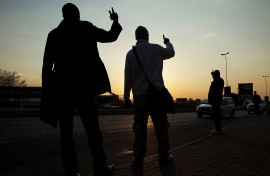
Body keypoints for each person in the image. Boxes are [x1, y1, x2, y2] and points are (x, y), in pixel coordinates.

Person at [41, 3, 122, 176]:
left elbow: (46, 66)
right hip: (84, 87)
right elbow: (110, 36)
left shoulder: (54, 35)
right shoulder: (86, 27)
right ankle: (100, 166)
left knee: (66, 133)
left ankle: (71, 170)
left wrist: (47, 93)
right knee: (93, 130)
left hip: (63, 89)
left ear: (63, 15)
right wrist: (115, 21)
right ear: (77, 14)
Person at [124, 26, 175, 165]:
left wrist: (126, 96)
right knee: (161, 126)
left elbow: (128, 77)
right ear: (148, 36)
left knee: (139, 128)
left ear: (136, 37)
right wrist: (167, 42)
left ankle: (138, 156)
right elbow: (171, 52)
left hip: (140, 97)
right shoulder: (157, 49)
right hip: (156, 96)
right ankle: (164, 155)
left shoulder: (130, 53)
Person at [208, 70, 224, 135]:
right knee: (216, 114)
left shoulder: (217, 82)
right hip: (215, 100)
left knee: (216, 115)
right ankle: (218, 128)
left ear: (216, 75)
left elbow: (215, 92)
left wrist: (212, 99)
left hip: (216, 100)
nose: (212, 76)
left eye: (213, 75)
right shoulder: (218, 81)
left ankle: (218, 129)